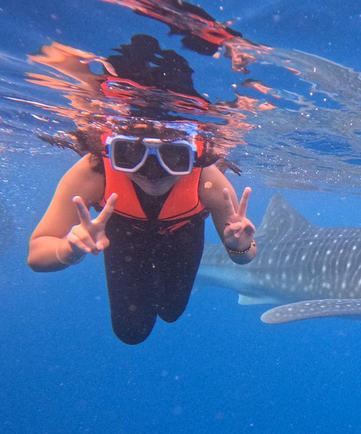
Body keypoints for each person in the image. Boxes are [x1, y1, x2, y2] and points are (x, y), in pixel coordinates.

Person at [27, 36, 257, 345]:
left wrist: (239, 247)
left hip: (182, 234)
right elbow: (37, 253)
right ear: (110, 152)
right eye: (130, 155)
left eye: (174, 157)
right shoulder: (93, 172)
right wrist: (67, 251)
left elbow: (244, 258)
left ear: (193, 157)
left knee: (172, 311)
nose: (153, 172)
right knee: (131, 332)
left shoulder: (208, 181)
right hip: (124, 237)